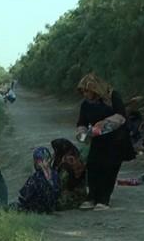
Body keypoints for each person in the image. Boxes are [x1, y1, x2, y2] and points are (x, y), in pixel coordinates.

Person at [75, 73, 135, 210]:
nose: (85, 94)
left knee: (109, 168)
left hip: (117, 139)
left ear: (94, 88)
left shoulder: (112, 96)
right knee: (93, 165)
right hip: (98, 139)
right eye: (82, 91)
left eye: (86, 91)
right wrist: (82, 134)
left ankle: (103, 199)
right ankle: (92, 197)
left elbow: (121, 116)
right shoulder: (85, 104)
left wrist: (104, 123)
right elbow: (82, 122)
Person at [15, 147, 60, 213]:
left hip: (35, 210)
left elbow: (24, 196)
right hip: (50, 209)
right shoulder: (56, 174)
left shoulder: (35, 178)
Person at [51, 138, 88, 210]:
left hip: (75, 194)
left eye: (56, 150)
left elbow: (61, 183)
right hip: (73, 192)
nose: (54, 152)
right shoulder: (66, 157)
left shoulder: (68, 162)